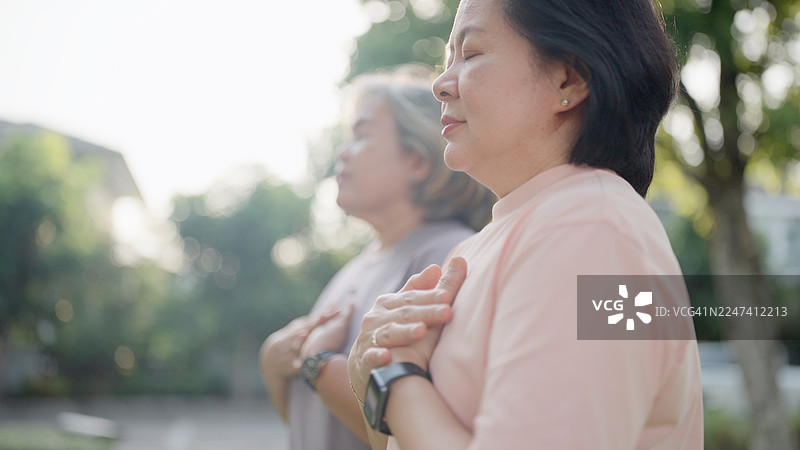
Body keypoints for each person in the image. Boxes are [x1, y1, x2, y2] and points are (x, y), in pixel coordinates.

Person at [347, 0, 704, 449]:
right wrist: (377, 372)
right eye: (446, 60)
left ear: (568, 79)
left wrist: (393, 380)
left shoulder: (595, 230)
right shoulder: (487, 245)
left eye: (471, 54)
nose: (439, 84)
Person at [258, 71, 495, 450]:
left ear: (417, 160)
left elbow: (407, 434)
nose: (342, 151)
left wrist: (317, 364)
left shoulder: (449, 258)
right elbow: (318, 425)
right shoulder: (355, 267)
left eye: (362, 134)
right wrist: (274, 365)